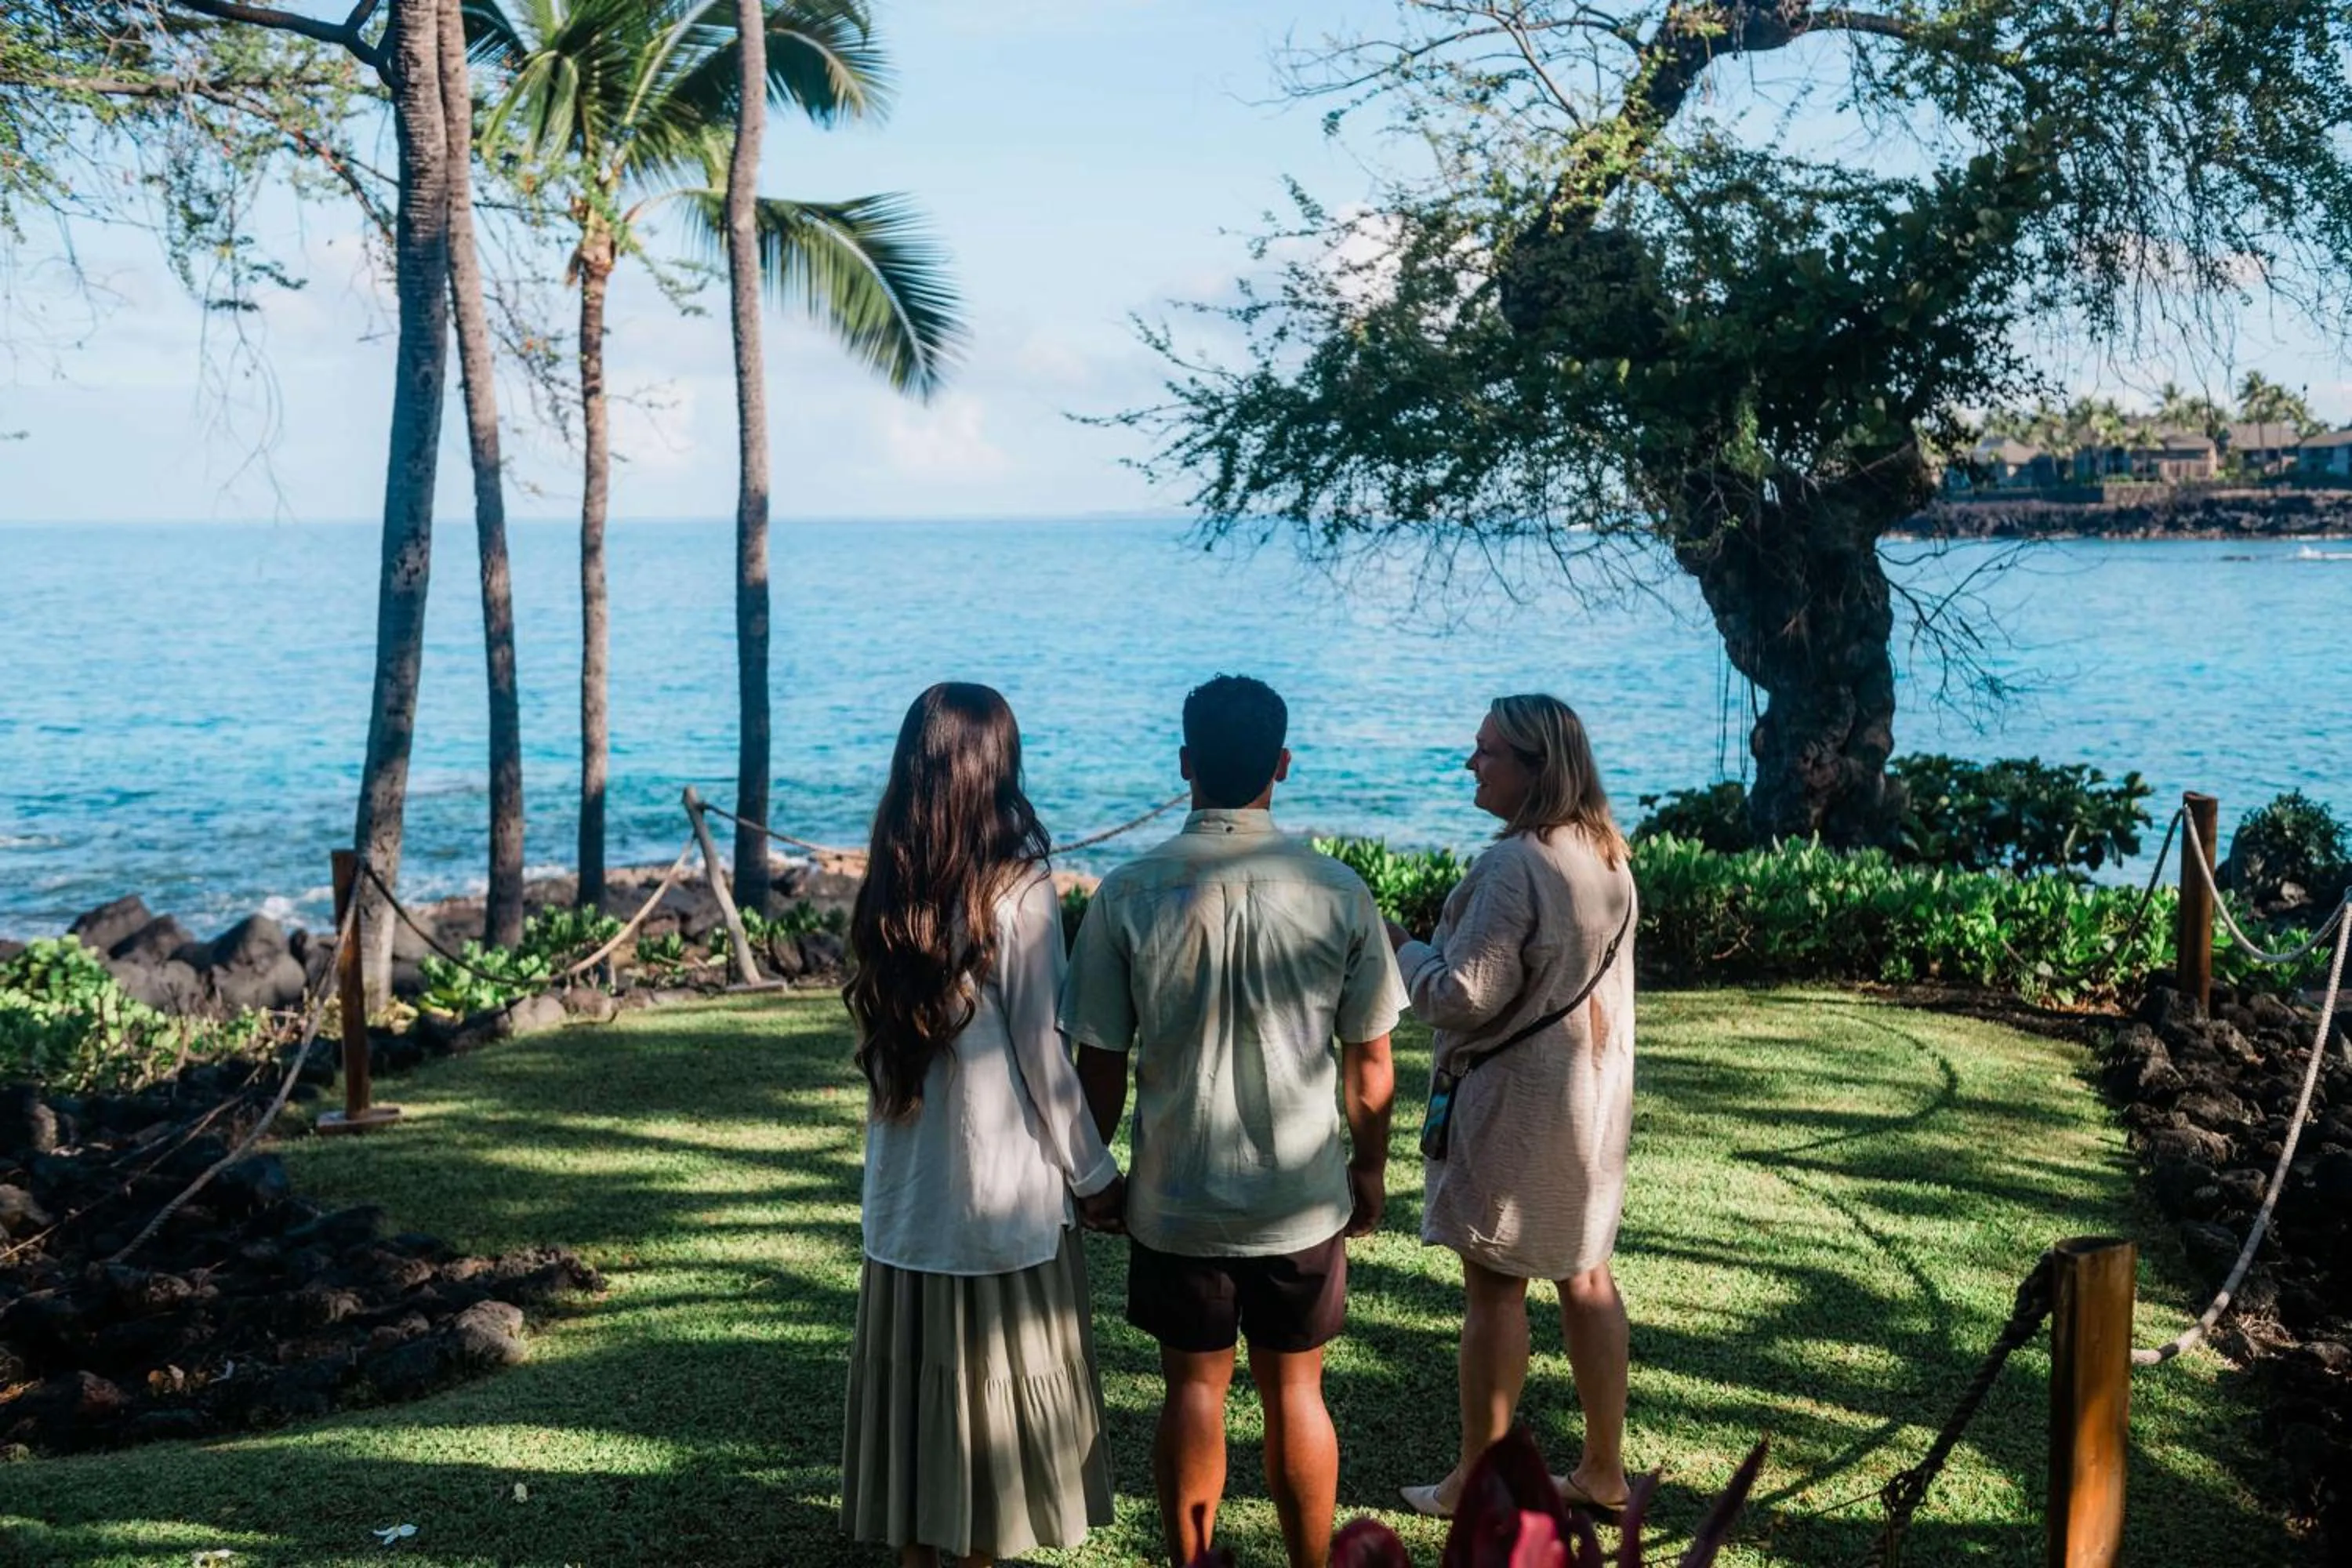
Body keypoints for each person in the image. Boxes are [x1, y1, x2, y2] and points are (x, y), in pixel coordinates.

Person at [1061, 673, 1407, 1568]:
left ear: (1186, 764)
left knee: (1193, 1390)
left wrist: (1091, 1176)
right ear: (1282, 765)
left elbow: (1099, 1064)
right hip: (1300, 1197)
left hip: (1177, 1197)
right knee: (1298, 1392)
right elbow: (1371, 1066)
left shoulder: (1128, 892)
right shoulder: (1338, 890)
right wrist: (1368, 1170)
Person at [839, 682, 1125, 1568]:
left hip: (909, 1200)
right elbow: (1045, 1056)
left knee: (921, 1420)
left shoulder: (890, 883)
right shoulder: (1020, 887)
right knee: (987, 1427)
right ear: (996, 768)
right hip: (999, 1205)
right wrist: (1096, 1176)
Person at [1392, 694, 1639, 1520]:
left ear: (1536, 767)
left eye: (1487, 750)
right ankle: (1603, 1469)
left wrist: (1405, 948)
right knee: (1587, 1275)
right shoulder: (1606, 854)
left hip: (1517, 1106)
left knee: (1495, 1289)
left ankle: (1477, 1478)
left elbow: (1462, 996)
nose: (1471, 762)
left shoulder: (1514, 866)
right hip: (1591, 1106)